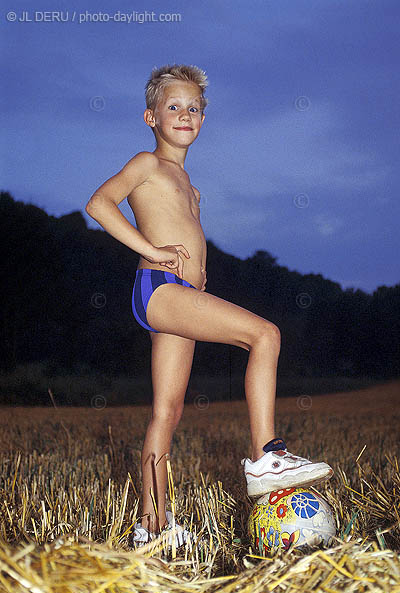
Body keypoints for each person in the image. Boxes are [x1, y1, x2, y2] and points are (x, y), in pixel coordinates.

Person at [85, 64, 333, 546]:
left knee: (168, 410)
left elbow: (185, 233)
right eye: (173, 106)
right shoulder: (146, 164)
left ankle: (153, 527)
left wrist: (198, 271)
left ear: (203, 119)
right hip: (158, 288)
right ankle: (266, 455)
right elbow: (99, 204)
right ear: (150, 116)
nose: (185, 114)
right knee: (265, 335)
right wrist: (152, 251)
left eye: (194, 108)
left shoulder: (188, 184)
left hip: (181, 295)